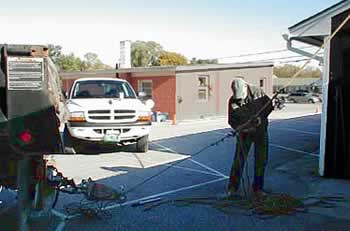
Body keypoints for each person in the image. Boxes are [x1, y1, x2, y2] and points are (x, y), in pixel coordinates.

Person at [227, 78, 272, 197]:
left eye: (242, 95)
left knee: (261, 160)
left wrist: (260, 118)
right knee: (238, 160)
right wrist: (242, 128)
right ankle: (232, 188)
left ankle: (258, 189)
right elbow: (232, 121)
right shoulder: (233, 101)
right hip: (244, 134)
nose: (240, 99)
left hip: (260, 132)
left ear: (246, 87)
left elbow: (269, 106)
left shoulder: (258, 92)